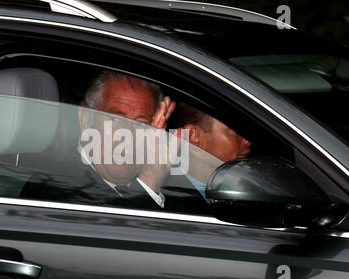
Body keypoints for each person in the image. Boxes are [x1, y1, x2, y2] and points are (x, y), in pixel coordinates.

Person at [21, 71, 206, 212]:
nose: (129, 135)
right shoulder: (51, 189)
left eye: (141, 124)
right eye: (115, 119)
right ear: (86, 120)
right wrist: (148, 183)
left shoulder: (177, 188)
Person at [169, 102, 252, 199]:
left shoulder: (243, 187)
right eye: (235, 131)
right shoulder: (170, 200)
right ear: (192, 136)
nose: (248, 142)